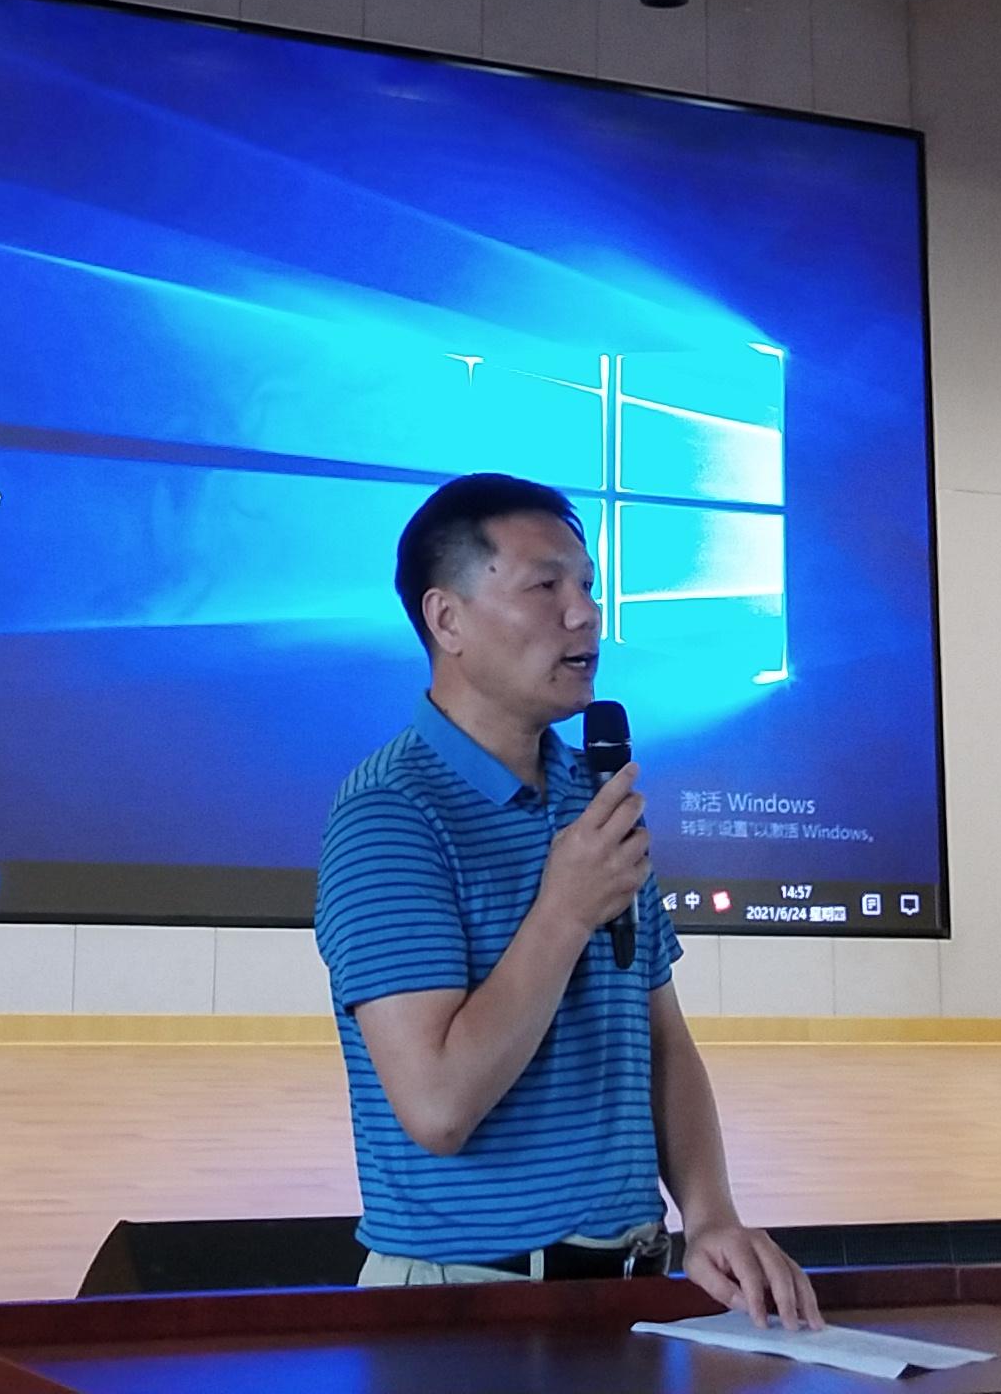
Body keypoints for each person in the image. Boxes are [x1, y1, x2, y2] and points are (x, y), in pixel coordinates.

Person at [315, 471, 818, 1325]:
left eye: (587, 585)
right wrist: (563, 911)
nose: (584, 614)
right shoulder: (390, 816)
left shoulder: (594, 796)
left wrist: (710, 1216)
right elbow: (438, 1107)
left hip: (632, 1290)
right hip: (465, 1309)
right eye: (545, 586)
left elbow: (661, 1039)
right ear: (447, 620)